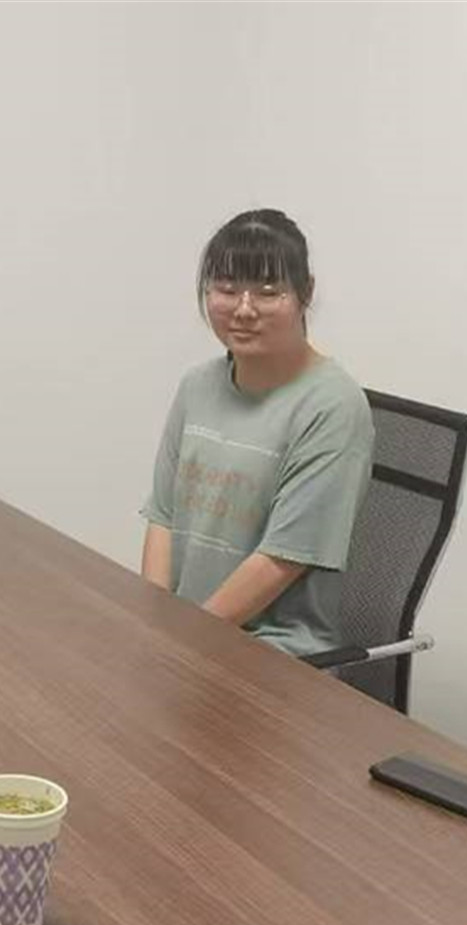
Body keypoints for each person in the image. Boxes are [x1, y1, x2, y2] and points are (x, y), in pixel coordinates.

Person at [140, 209, 375, 657]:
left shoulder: (333, 407)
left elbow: (284, 557)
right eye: (227, 290)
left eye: (268, 293)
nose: (244, 310)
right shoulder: (197, 386)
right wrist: (155, 619)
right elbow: (163, 517)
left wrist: (179, 641)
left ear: (305, 294)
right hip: (188, 636)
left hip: (273, 655)